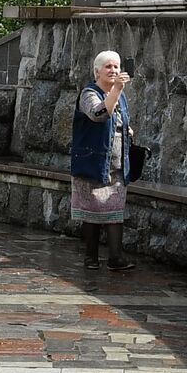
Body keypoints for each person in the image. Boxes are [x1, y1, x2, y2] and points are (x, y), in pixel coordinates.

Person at [70, 50, 136, 271]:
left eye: (116, 66)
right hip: (93, 164)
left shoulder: (120, 96)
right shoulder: (89, 94)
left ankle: (116, 258)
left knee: (114, 213)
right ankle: (91, 257)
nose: (114, 70)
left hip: (116, 167)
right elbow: (98, 115)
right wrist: (117, 89)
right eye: (108, 66)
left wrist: (126, 130)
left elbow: (116, 121)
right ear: (97, 71)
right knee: (93, 212)